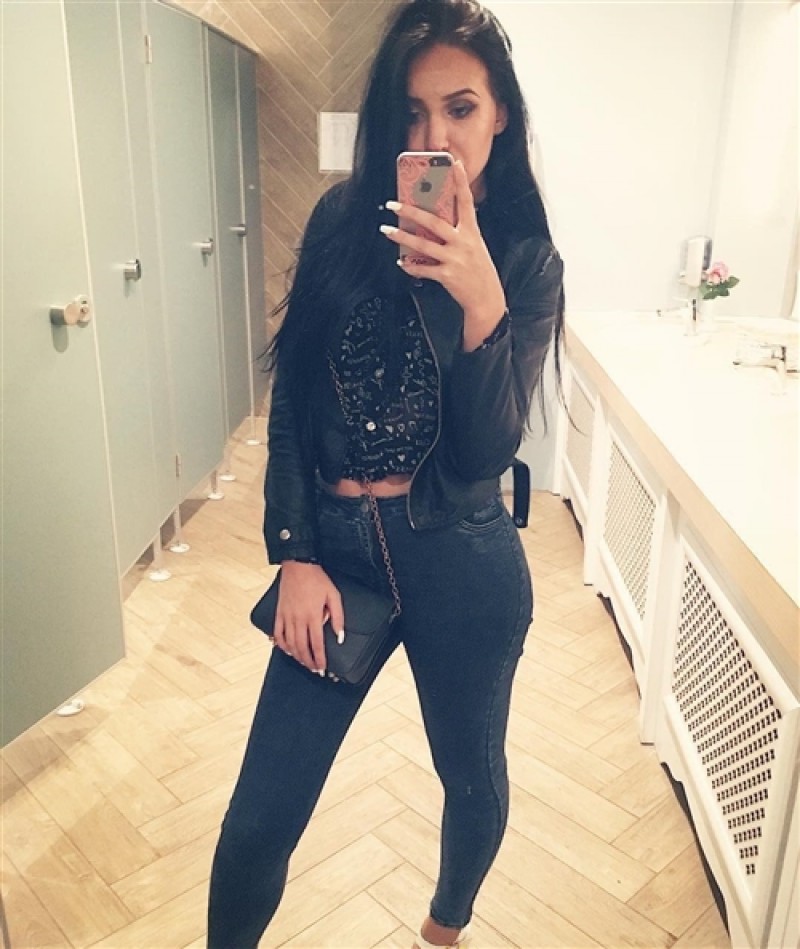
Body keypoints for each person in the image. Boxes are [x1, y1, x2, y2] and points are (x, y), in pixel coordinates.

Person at [207, 1, 564, 946]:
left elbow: (483, 456)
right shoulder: (340, 222)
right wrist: (296, 552)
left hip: (462, 557)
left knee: (472, 778)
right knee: (257, 822)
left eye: (459, 108)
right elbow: (294, 402)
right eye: (411, 112)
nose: (432, 135)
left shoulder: (525, 260)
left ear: (500, 116)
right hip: (338, 558)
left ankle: (445, 927)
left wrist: (482, 304)